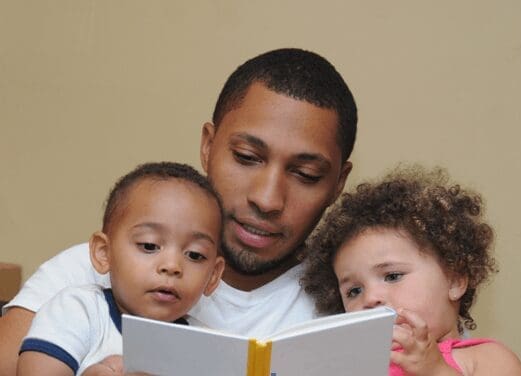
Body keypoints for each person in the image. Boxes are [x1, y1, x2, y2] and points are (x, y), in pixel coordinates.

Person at [0, 48, 357, 375]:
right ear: (207, 146)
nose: (267, 199)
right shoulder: (90, 274)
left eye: (305, 174)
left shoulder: (351, 301)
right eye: (247, 158)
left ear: (338, 182)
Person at [302, 165, 521, 375]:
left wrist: (436, 370)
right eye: (354, 291)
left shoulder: (484, 358)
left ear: (455, 280)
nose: (370, 298)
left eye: (392, 276)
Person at [16, 162, 225, 375]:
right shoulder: (78, 311)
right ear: (104, 253)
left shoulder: (208, 348)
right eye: (149, 246)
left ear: (213, 276)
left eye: (195, 255)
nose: (172, 266)